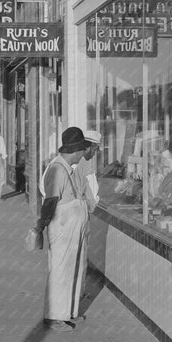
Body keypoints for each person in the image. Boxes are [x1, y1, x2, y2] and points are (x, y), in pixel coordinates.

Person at [35, 127, 92, 332]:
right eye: (82, 149)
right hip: (62, 226)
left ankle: (68, 313)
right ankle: (54, 317)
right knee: (60, 270)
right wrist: (40, 226)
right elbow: (50, 202)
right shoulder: (57, 169)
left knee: (73, 269)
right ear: (75, 150)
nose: (84, 153)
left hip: (73, 227)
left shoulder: (69, 168)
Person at [73, 130, 102, 305]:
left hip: (66, 214)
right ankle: (79, 293)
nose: (96, 153)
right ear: (90, 147)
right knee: (80, 256)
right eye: (96, 149)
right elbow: (93, 192)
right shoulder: (88, 164)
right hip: (80, 212)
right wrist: (93, 203)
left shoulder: (70, 160)